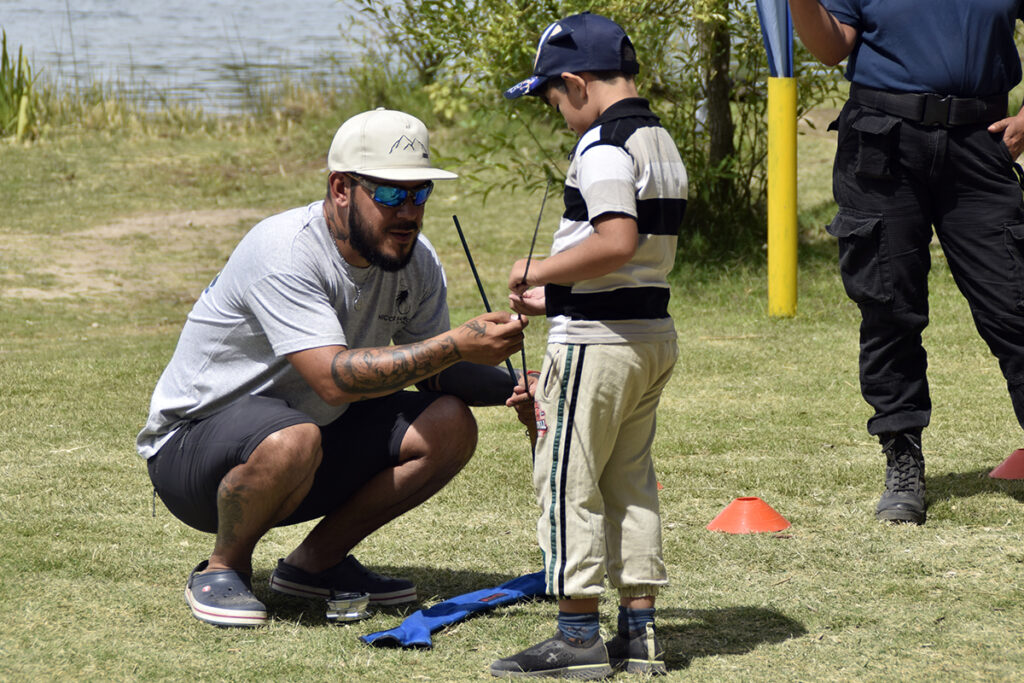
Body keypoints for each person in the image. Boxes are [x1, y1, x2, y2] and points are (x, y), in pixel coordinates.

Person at [136, 108, 528, 627]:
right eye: (390, 194)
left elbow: (436, 370)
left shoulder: (416, 259)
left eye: (420, 194)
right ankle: (222, 568)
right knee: (292, 437)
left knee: (449, 424)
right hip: (192, 453)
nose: (409, 212)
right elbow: (333, 379)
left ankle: (314, 566)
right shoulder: (285, 249)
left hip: (308, 438)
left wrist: (524, 385)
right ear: (341, 188)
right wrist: (456, 342)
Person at [492, 13, 687, 678]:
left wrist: (538, 271)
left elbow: (616, 240)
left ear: (576, 83)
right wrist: (559, 295)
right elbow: (637, 262)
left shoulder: (602, 145)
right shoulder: (659, 140)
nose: (559, 114)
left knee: (566, 480)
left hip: (595, 346)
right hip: (647, 334)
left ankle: (577, 635)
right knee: (629, 481)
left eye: (553, 99)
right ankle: (639, 632)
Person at [789, 1, 1024, 525]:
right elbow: (831, 47)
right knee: (889, 308)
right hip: (882, 142)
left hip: (981, 140)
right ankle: (903, 459)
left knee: (1015, 305)